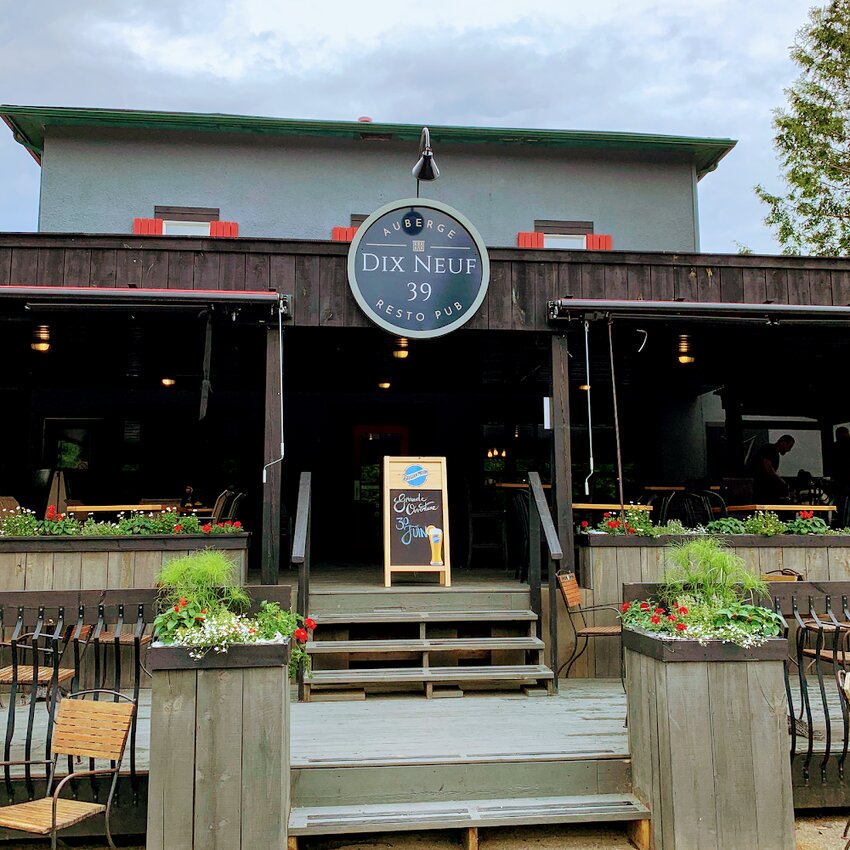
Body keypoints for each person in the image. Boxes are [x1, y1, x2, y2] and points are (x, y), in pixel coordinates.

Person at [751, 435, 795, 503]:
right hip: (761, 488)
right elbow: (768, 467)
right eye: (789, 446)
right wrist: (781, 481)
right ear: (783, 442)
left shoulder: (774, 453)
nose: (789, 450)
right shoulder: (769, 449)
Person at [829, 426, 850, 522]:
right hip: (845, 481)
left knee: (840, 507)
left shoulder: (834, 447)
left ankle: (840, 523)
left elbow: (831, 466)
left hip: (839, 482)